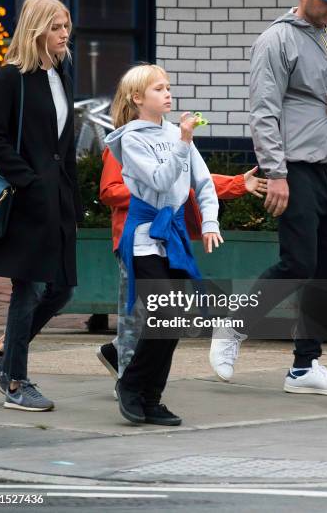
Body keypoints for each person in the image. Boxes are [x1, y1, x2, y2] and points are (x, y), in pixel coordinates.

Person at [209, 0, 327, 395]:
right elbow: (264, 112)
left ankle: (304, 367)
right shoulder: (275, 41)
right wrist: (275, 172)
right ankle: (235, 326)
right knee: (298, 263)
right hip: (294, 168)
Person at [104, 63, 224, 426]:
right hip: (142, 240)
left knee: (172, 323)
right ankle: (131, 386)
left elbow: (202, 184)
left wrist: (210, 222)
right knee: (165, 316)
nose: (168, 93)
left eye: (168, 87)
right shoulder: (130, 139)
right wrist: (183, 142)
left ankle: (151, 398)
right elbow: (160, 180)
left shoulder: (177, 133)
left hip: (172, 239)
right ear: (138, 98)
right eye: (159, 88)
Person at [0, 0, 83, 411]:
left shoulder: (62, 72)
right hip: (27, 200)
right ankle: (16, 383)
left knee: (62, 290)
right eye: (56, 27)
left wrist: (71, 196)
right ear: (37, 29)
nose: (64, 34)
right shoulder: (11, 78)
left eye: (66, 26)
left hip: (57, 197)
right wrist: (28, 180)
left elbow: (66, 143)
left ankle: (2, 349)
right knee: (29, 288)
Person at [97, 147, 267, 386]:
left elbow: (192, 184)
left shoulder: (169, 142)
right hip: (134, 238)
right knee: (137, 314)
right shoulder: (122, 145)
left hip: (170, 238)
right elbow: (109, 191)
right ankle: (127, 379)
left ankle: (118, 356)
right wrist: (157, 190)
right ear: (137, 107)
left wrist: (237, 183)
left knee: (162, 313)